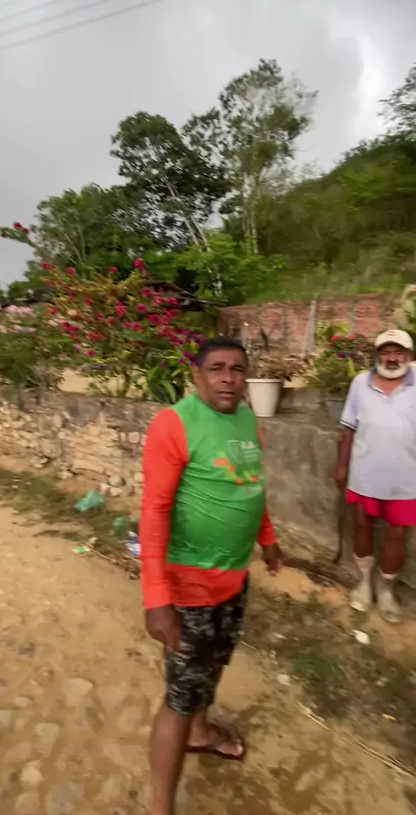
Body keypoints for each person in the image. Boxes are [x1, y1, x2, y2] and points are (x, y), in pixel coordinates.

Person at [139, 336, 282, 815]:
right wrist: (157, 598)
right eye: (217, 368)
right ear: (197, 375)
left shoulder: (246, 420)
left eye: (237, 369)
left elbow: (250, 484)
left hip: (233, 578)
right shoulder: (174, 423)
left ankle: (201, 734)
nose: (228, 378)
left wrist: (267, 538)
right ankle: (161, 806)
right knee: (180, 697)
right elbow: (155, 511)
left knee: (215, 663)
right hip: (188, 588)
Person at [334, 328, 416, 623]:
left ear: (409, 356)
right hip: (365, 474)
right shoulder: (360, 382)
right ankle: (365, 581)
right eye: (385, 352)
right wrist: (342, 465)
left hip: (406, 479)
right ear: (377, 355)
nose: (392, 358)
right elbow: (349, 429)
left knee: (397, 534)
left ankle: (386, 587)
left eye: (398, 352)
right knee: (362, 526)